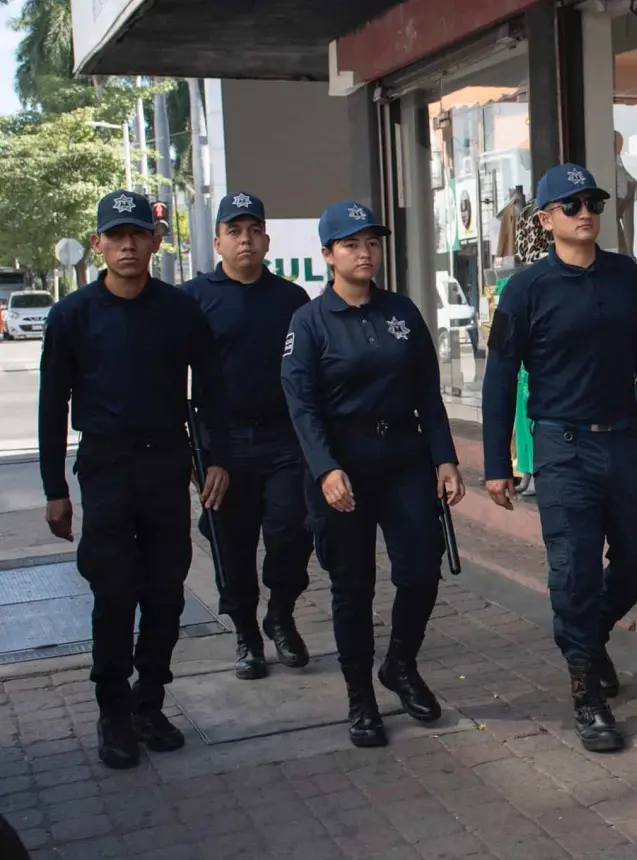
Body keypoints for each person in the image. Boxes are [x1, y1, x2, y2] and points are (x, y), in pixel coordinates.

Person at [481, 163, 637, 753]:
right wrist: (495, 462)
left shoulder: (622, 275)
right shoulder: (525, 290)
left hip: (624, 439)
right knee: (574, 572)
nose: (585, 212)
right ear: (545, 220)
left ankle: (589, 636)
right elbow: (498, 377)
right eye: (570, 205)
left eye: (591, 201)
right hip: (562, 445)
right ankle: (587, 691)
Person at [38, 190, 231, 770]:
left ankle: (151, 702)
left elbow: (213, 390)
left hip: (166, 467)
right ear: (98, 243)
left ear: (154, 241)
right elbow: (51, 408)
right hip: (105, 470)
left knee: (166, 593)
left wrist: (215, 458)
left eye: (137, 234)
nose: (127, 244)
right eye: (115, 235)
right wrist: (54, 489)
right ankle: (114, 712)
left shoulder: (180, 310)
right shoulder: (72, 315)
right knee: (115, 593)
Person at [281, 200, 465, 749]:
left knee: (421, 571)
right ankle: (360, 695)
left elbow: (427, 391)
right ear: (328, 255)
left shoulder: (402, 312)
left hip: (404, 456)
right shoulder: (309, 322)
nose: (364, 253)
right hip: (344, 462)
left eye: (371, 243)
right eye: (351, 244)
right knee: (352, 585)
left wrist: (445, 457)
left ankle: (400, 663)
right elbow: (302, 405)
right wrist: (325, 468)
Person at [178, 192, 313, 681]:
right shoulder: (193, 300)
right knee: (231, 545)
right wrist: (194, 450)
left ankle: (281, 613)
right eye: (235, 231)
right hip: (222, 444)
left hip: (284, 440)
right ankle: (246, 634)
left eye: (253, 230)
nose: (245, 240)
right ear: (218, 241)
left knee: (293, 532)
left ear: (267, 239)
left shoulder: (291, 299)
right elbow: (176, 376)